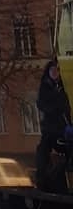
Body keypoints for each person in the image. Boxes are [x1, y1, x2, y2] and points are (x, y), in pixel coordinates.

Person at [35, 58, 71, 192]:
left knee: (68, 150)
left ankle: (64, 180)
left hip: (62, 127)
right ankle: (42, 180)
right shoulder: (45, 87)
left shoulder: (62, 87)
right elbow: (41, 104)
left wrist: (68, 124)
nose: (56, 73)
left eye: (57, 70)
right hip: (50, 127)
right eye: (53, 70)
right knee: (43, 150)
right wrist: (54, 109)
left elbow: (66, 107)